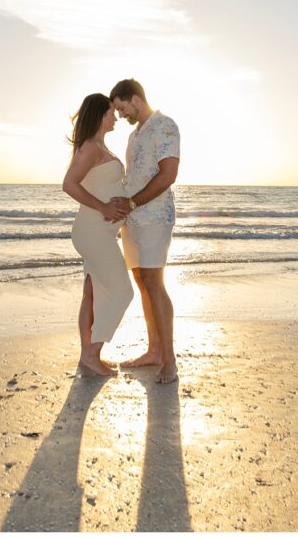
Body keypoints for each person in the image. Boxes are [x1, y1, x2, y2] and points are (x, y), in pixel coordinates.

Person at [109, 78, 181, 384]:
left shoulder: (165, 126)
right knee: (142, 281)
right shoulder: (134, 136)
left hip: (154, 217)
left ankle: (170, 361)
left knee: (155, 282)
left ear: (135, 99)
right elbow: (132, 177)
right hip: (133, 219)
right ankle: (154, 351)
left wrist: (135, 201)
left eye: (122, 108)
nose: (121, 116)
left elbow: (168, 175)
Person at [62, 93, 135, 376]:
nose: (115, 117)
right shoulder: (91, 147)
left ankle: (87, 357)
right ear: (99, 115)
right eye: (110, 113)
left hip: (98, 231)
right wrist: (104, 206)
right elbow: (69, 184)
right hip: (93, 232)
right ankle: (92, 354)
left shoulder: (98, 146)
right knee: (122, 292)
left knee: (91, 294)